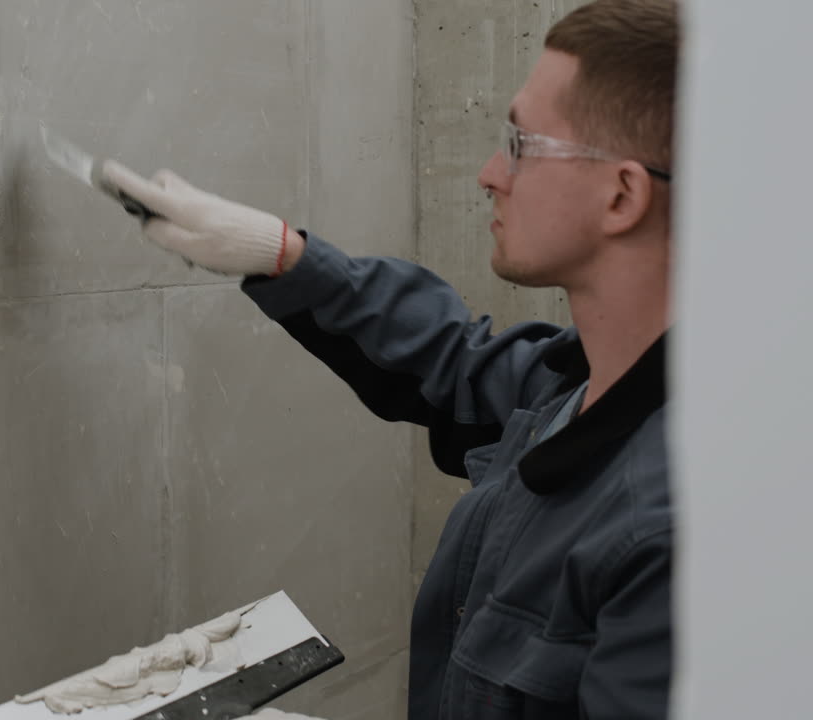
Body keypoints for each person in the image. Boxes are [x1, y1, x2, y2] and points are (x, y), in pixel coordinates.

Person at [104, 1, 679, 718]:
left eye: (522, 143)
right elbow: (456, 365)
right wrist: (285, 256)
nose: (490, 173)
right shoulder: (579, 391)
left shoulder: (668, 535)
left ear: (622, 194)